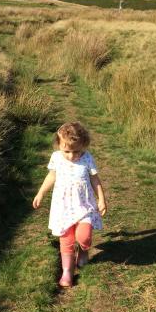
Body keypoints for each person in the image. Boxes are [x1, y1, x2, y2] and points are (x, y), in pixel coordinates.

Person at [33, 122, 107, 288]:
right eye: (67, 151)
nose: (72, 156)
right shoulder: (56, 158)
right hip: (63, 207)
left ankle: (83, 250)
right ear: (58, 145)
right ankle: (67, 271)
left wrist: (101, 199)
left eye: (76, 151)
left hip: (84, 205)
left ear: (83, 146)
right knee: (66, 238)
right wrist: (40, 193)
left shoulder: (87, 158)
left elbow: (95, 179)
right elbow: (51, 176)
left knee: (84, 236)